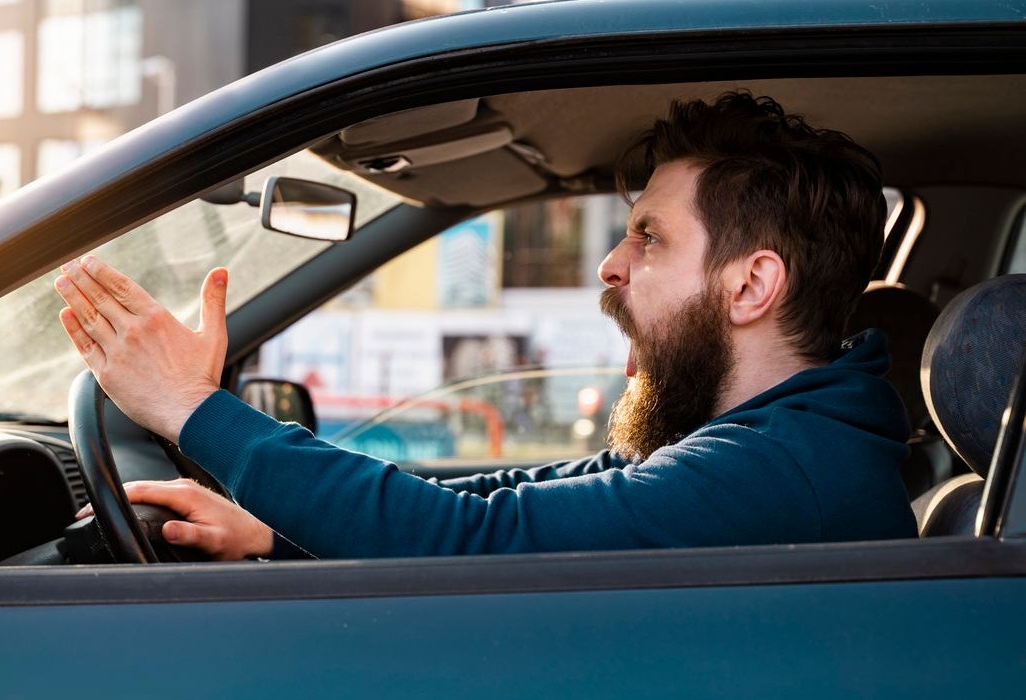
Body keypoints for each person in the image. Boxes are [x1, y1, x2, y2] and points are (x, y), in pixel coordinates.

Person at [54, 92, 918, 560]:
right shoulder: (767, 441)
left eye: (648, 237)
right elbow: (512, 496)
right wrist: (270, 531)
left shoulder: (784, 474)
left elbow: (483, 541)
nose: (611, 266)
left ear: (751, 284)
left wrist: (192, 408)